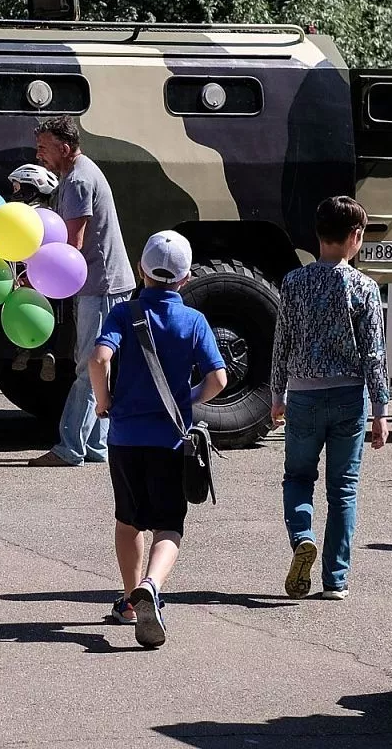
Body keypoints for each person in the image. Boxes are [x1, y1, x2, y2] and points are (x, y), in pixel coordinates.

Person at [89, 230, 227, 648]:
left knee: (128, 519)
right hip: (171, 439)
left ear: (140, 270)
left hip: (126, 437)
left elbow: (99, 358)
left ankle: (130, 601)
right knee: (169, 523)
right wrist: (188, 399)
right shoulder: (194, 321)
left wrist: (104, 401)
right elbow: (219, 379)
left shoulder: (123, 313)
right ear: (186, 279)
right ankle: (152, 584)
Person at [270, 196, 389, 602]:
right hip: (348, 397)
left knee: (298, 477)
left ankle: (302, 536)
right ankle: (335, 579)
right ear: (356, 236)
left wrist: (277, 393)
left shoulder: (294, 282)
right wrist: (381, 409)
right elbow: (374, 352)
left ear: (317, 234)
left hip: (303, 395)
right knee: (343, 489)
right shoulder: (364, 287)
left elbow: (282, 342)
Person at [28, 116, 137, 467]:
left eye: (43, 147)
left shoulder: (77, 180)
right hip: (102, 284)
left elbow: (72, 244)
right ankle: (95, 445)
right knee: (97, 365)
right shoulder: (79, 173)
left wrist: (37, 275)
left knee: (90, 366)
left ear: (64, 147)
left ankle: (70, 447)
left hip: (101, 286)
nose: (39, 154)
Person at [7, 163, 60, 383]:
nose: (14, 191)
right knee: (49, 311)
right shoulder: (52, 215)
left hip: (25, 275)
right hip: (49, 277)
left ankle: (23, 348)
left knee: (23, 308)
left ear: (32, 188)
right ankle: (49, 350)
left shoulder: (26, 215)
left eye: (17, 187)